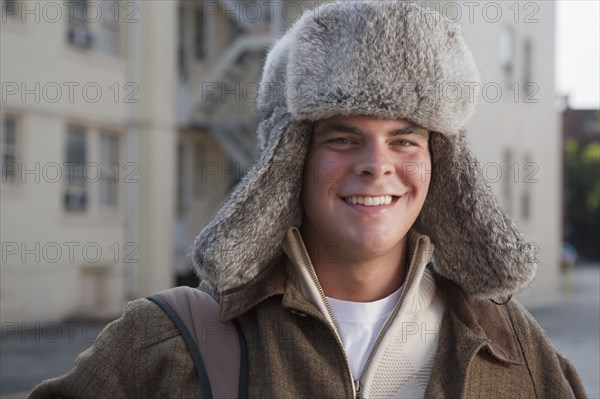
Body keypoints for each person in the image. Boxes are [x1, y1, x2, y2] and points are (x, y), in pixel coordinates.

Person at [30, 1, 587, 398]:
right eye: (343, 138)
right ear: (290, 159)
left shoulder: (510, 346)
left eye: (405, 139)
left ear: (441, 165)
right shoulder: (169, 340)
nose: (376, 163)